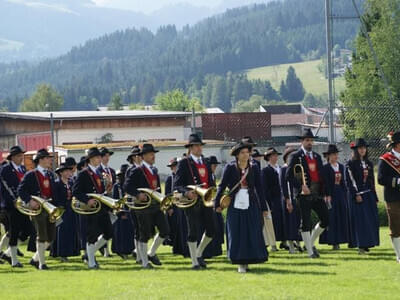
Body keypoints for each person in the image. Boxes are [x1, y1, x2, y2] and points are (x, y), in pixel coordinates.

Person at [214, 141, 268, 273]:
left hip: (251, 203)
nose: (246, 155)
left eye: (247, 152)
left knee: (251, 230)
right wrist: (217, 203)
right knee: (237, 231)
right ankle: (240, 262)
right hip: (235, 203)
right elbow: (222, 185)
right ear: (237, 155)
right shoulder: (230, 167)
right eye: (242, 153)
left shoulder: (254, 167)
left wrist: (264, 208)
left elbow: (259, 188)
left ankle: (249, 259)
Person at [124, 143, 170, 269]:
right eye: (150, 154)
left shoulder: (154, 170)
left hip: (155, 205)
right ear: (143, 156)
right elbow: (127, 186)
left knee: (165, 230)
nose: (153, 156)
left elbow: (157, 187)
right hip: (143, 206)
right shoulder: (136, 170)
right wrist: (138, 194)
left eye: (153, 154)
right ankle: (144, 262)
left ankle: (151, 252)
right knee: (144, 234)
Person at [174, 133, 216, 270]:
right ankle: (194, 262)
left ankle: (198, 253)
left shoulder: (206, 161)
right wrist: (186, 192)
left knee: (211, 230)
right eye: (196, 146)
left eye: (200, 146)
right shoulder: (184, 163)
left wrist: (212, 192)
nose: (199, 148)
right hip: (192, 201)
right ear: (190, 148)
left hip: (205, 199)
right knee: (193, 231)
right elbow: (177, 185)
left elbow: (210, 181)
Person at [286, 128, 329, 258]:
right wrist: (301, 186)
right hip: (303, 194)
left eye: (311, 140)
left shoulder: (317, 156)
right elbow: (288, 176)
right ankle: (310, 252)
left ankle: (309, 243)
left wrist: (325, 192)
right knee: (306, 222)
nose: (310, 143)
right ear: (302, 142)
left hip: (317, 192)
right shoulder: (295, 156)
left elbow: (322, 176)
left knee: (326, 219)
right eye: (307, 140)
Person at [18, 149, 60, 270]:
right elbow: (21, 190)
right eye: (47, 158)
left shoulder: (50, 174)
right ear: (40, 160)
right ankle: (42, 263)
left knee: (51, 237)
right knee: (41, 235)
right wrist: (29, 201)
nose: (50, 160)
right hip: (38, 209)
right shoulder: (31, 174)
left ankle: (35, 259)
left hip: (50, 208)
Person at [72, 147, 114, 269]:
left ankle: (89, 254)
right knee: (92, 236)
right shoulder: (84, 174)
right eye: (97, 157)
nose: (99, 159)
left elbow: (100, 191)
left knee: (109, 233)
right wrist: (87, 200)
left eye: (100, 157)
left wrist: (107, 190)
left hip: (101, 208)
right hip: (91, 209)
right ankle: (91, 262)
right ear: (90, 159)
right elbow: (76, 191)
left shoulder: (100, 173)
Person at [0, 146, 32, 267]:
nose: (21, 158)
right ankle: (14, 260)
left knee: (27, 230)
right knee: (14, 231)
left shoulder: (23, 169)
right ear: (12, 157)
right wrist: (14, 200)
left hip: (22, 204)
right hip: (11, 205)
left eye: (21, 155)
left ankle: (7, 253)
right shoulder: (5, 169)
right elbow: (6, 187)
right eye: (19, 156)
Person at [347, 138, 380, 254]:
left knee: (370, 220)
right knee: (361, 221)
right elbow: (351, 180)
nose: (362, 150)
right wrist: (356, 194)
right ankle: (360, 245)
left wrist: (375, 196)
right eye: (360, 148)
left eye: (364, 148)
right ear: (356, 150)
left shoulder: (369, 163)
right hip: (358, 195)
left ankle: (368, 243)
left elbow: (372, 181)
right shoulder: (351, 163)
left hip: (368, 195)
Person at [319, 144, 350, 250]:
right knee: (332, 217)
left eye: (336, 154)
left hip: (340, 193)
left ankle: (341, 239)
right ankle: (333, 241)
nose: (335, 156)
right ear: (328, 156)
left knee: (341, 216)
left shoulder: (341, 167)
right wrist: (326, 195)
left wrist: (345, 194)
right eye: (333, 154)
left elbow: (344, 183)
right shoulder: (325, 168)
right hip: (330, 195)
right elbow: (324, 183)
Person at [378, 131, 400, 263]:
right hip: (393, 197)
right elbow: (380, 179)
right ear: (397, 145)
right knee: (396, 226)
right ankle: (399, 255)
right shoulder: (385, 159)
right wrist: (397, 181)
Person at [51, 163, 80, 261]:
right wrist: (61, 206)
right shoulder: (56, 183)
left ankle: (71, 251)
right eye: (66, 171)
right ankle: (62, 253)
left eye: (69, 171)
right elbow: (55, 197)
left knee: (71, 231)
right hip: (61, 210)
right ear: (61, 173)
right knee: (62, 231)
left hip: (71, 210)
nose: (69, 173)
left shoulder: (71, 183)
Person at [262, 147, 286, 252]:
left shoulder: (280, 168)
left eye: (276, 155)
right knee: (273, 222)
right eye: (273, 156)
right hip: (273, 199)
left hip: (282, 198)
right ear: (269, 158)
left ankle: (284, 241)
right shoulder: (265, 171)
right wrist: (269, 203)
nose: (275, 157)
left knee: (282, 220)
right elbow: (265, 188)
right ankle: (272, 244)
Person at [280, 147, 302, 254]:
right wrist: (287, 201)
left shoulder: (296, 169)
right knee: (290, 223)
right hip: (288, 198)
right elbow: (284, 186)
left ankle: (298, 243)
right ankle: (290, 245)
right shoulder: (284, 169)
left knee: (297, 221)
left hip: (297, 198)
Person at [111, 164, 134, 259]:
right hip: (120, 213)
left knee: (130, 233)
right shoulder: (117, 186)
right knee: (120, 233)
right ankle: (120, 251)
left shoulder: (129, 185)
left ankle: (130, 250)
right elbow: (115, 200)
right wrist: (121, 212)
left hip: (130, 212)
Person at [203, 155, 223, 258]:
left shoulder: (213, 176)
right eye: (213, 165)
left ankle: (215, 250)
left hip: (213, 203)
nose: (215, 167)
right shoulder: (206, 176)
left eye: (216, 165)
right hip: (207, 204)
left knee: (216, 227)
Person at [97, 147, 116, 258]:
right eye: (105, 156)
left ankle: (106, 250)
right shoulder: (98, 170)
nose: (107, 158)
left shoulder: (111, 171)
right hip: (101, 200)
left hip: (110, 199)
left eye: (108, 156)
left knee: (110, 224)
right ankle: (100, 249)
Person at [126, 145, 143, 262]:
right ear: (133, 158)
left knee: (143, 229)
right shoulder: (130, 170)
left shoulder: (145, 168)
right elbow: (127, 187)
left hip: (145, 202)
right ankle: (138, 254)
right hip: (134, 201)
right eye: (137, 155)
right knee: (137, 229)